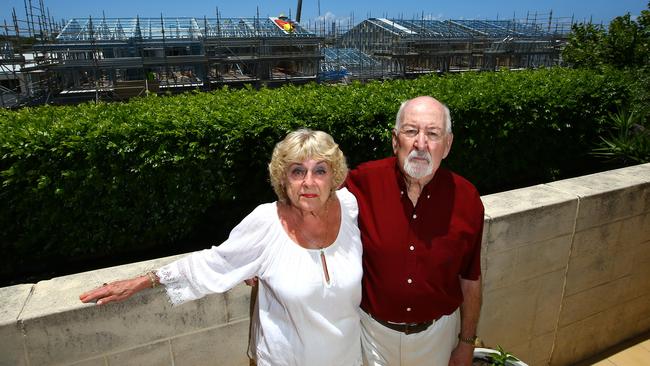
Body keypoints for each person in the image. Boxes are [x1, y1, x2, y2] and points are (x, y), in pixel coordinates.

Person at [79, 129, 363, 366]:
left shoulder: (350, 207)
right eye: (297, 171)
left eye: (320, 170)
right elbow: (214, 262)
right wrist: (144, 280)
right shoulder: (267, 222)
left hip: (349, 357)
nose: (308, 182)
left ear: (334, 176)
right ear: (282, 179)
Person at [344, 96, 484, 366]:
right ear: (396, 140)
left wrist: (466, 343)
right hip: (371, 336)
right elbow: (309, 201)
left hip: (437, 337)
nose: (421, 144)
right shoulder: (362, 183)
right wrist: (267, 249)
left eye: (433, 133)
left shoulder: (467, 199)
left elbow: (471, 279)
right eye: (411, 131)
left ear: (447, 145)